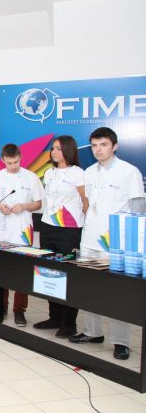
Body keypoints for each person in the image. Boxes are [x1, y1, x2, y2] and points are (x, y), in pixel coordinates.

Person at [70, 127, 145, 361]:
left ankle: (120, 342)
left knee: (117, 293)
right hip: (90, 240)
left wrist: (132, 244)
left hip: (116, 245)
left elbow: (138, 209)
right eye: (94, 145)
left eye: (103, 145)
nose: (98, 150)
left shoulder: (129, 172)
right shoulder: (89, 172)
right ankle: (92, 332)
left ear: (115, 146)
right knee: (90, 288)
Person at [0, 143, 44, 326]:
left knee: (21, 272)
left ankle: (19, 311)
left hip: (23, 232)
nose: (13, 166)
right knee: (1, 271)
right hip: (1, 232)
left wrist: (24, 206)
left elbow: (38, 204)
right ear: (3, 160)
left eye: (16, 162)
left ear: (20, 157)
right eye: (9, 163)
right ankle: (1, 306)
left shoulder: (31, 177)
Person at [34, 135, 87, 337]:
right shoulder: (49, 173)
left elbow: (86, 202)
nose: (54, 152)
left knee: (68, 274)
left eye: (58, 148)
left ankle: (69, 323)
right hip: (48, 227)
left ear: (68, 150)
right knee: (48, 272)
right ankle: (54, 317)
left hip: (69, 230)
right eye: (53, 148)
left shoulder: (78, 173)